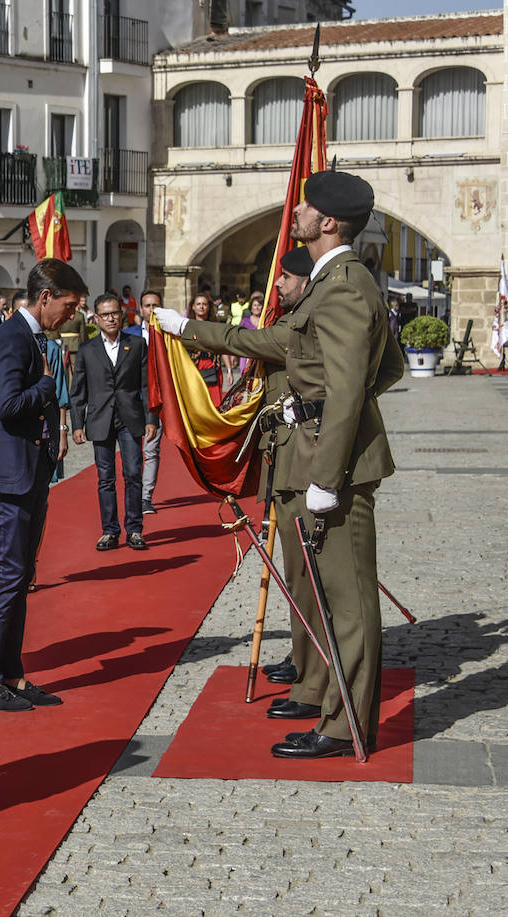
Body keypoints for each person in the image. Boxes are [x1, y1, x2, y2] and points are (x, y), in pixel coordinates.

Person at [156, 170, 404, 759]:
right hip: (322, 452)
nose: (295, 211)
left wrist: (326, 466)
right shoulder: (334, 283)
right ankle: (329, 704)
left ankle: (346, 727)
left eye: (306, 206)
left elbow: (349, 390)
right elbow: (380, 369)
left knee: (348, 601)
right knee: (325, 593)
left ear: (329, 223)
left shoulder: (344, 286)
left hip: (330, 466)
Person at [0, 258, 84, 711]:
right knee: (8, 574)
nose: (72, 314)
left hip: (28, 470)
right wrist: (47, 389)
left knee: (21, 574)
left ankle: (10, 673)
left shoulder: (29, 336)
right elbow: (10, 403)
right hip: (8, 474)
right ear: (46, 296)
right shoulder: (11, 337)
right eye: (69, 305)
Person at [70, 293, 156, 552]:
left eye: (115, 313)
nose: (110, 318)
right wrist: (76, 424)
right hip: (100, 419)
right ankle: (109, 530)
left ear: (122, 315)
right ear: (96, 318)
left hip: (130, 418)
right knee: (105, 477)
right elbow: (78, 391)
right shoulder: (87, 350)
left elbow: (147, 385)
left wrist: (151, 418)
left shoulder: (138, 344)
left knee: (132, 473)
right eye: (105, 314)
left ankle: (135, 529)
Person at [125, 290, 163, 514]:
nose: (151, 310)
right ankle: (133, 492)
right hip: (131, 401)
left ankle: (145, 497)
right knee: (132, 451)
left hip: (156, 401)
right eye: (147, 306)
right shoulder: (128, 335)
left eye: (155, 305)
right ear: (140, 308)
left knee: (152, 450)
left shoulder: (169, 337)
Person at [185, 293, 224, 406]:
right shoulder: (186, 326)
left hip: (212, 367)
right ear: (193, 306)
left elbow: (223, 347)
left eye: (204, 304)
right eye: (198, 304)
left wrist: (230, 369)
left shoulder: (215, 325)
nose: (201, 307)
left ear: (208, 306)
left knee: (214, 403)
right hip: (193, 368)